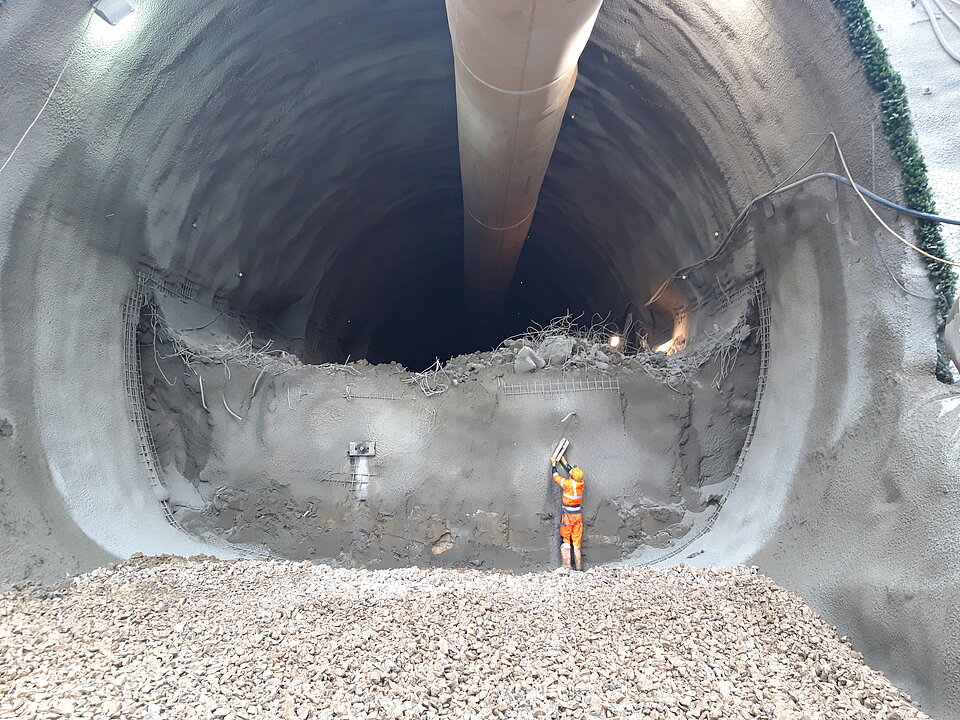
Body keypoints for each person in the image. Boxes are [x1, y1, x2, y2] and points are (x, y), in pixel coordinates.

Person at [551, 455, 585, 570]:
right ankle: (579, 567)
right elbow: (572, 472)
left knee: (565, 537)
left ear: (572, 476)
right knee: (576, 540)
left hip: (568, 515)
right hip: (578, 515)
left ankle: (566, 565)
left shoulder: (567, 484)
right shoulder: (581, 483)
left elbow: (555, 477)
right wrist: (564, 462)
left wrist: (554, 465)